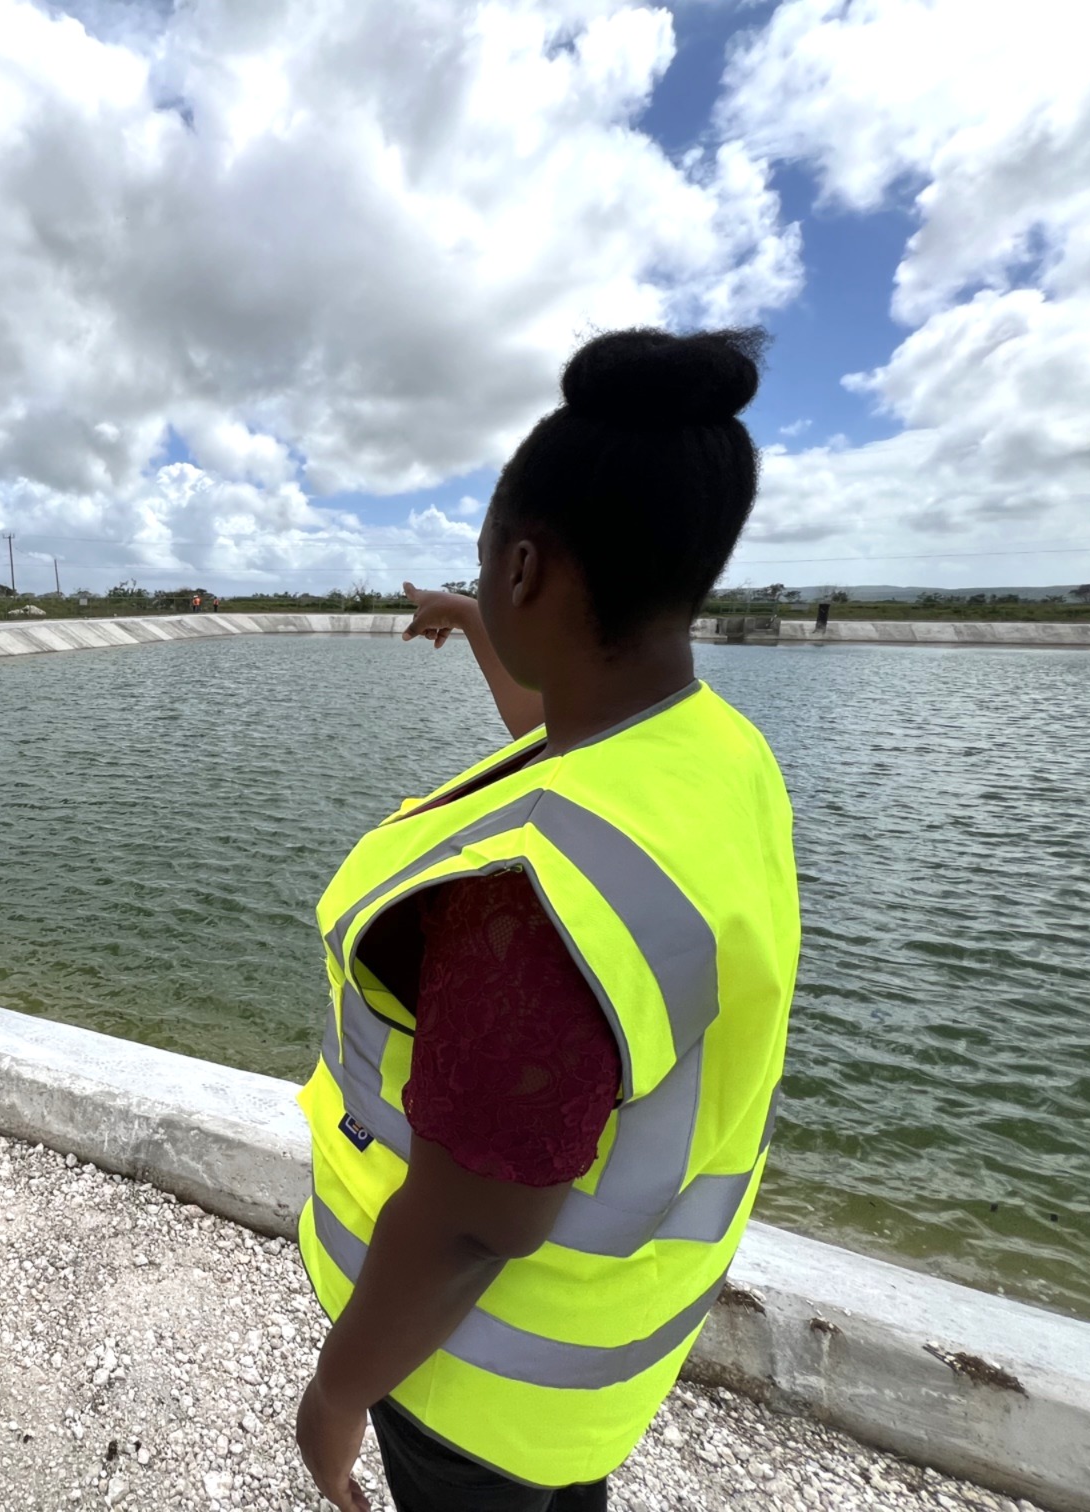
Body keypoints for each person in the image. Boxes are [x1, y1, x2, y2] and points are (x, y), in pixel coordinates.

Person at [292, 328, 798, 1512]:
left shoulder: (531, 913)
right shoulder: (711, 756)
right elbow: (565, 735)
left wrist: (335, 1397)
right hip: (599, 1359)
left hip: (471, 1389)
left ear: (530, 565)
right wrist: (481, 621)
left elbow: (470, 1230)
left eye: (489, 556)